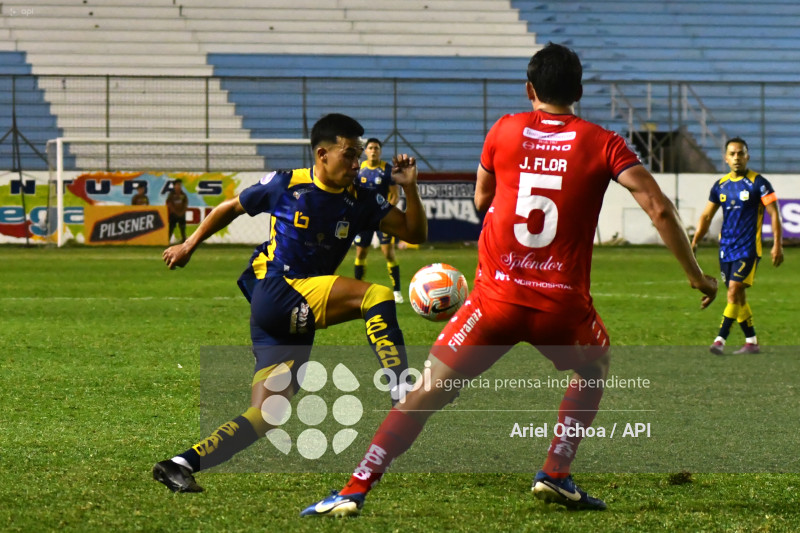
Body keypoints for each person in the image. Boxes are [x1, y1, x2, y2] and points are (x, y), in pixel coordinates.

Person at [301, 43, 717, 517]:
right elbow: (659, 208)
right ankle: (556, 472)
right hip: (562, 307)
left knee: (428, 390)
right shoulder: (604, 143)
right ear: (579, 91)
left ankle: (356, 487)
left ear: (529, 89)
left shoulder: (504, 128)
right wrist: (697, 276)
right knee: (593, 367)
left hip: (494, 301)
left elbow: (481, 200)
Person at [152, 113, 427, 494]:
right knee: (376, 294)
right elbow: (229, 208)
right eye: (349, 155)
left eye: (359, 155)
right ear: (322, 154)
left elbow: (415, 232)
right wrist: (188, 244)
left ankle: (180, 463)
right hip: (280, 291)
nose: (356, 163)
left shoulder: (361, 197)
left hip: (284, 313)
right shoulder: (287, 183)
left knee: (268, 413)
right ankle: (401, 391)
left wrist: (410, 189)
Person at [691, 137, 784, 355]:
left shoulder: (759, 183)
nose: (736, 158)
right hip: (726, 249)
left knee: (734, 290)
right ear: (725, 158)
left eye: (740, 153)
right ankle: (751, 342)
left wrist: (777, 244)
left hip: (749, 249)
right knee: (738, 296)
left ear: (747, 156)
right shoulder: (720, 186)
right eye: (732, 154)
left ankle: (719, 340)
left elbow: (774, 213)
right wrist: (695, 240)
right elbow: (706, 216)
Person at [353, 138, 404, 303]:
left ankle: (397, 291)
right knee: (361, 252)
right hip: (363, 218)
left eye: (376, 148)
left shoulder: (387, 170)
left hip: (382, 218)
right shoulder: (358, 169)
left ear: (380, 151)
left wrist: (384, 212)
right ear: (365, 151)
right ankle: (357, 291)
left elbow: (395, 195)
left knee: (388, 253)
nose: (373, 150)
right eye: (370, 148)